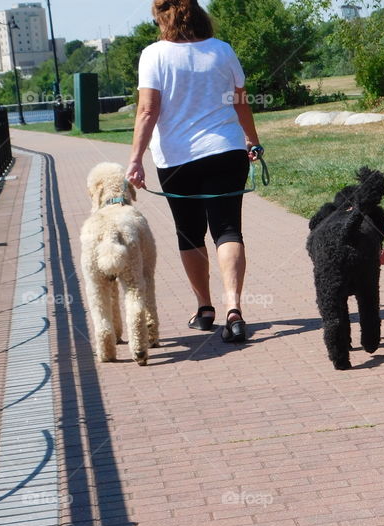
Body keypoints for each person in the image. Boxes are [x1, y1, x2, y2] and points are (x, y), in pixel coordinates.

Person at [126, 0, 262, 343]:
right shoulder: (222, 50)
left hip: (176, 158)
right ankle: (234, 309)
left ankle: (204, 309)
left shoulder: (153, 55)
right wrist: (252, 141)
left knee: (189, 232)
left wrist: (135, 159)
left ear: (161, 17)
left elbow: (147, 111)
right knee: (228, 229)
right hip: (226, 151)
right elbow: (241, 101)